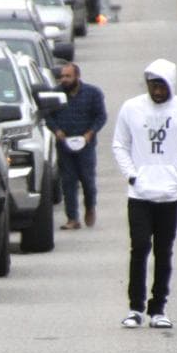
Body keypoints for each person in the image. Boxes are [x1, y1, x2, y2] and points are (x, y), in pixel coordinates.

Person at [112, 58, 177, 329]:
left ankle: (158, 308)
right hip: (139, 193)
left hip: (169, 194)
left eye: (162, 85)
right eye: (153, 85)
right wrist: (132, 175)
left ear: (170, 85)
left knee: (164, 251)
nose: (157, 91)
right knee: (139, 247)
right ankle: (135, 308)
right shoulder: (131, 108)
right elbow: (119, 145)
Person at [45, 63, 108, 231]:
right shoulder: (55, 94)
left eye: (68, 76)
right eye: (62, 77)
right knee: (68, 181)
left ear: (77, 76)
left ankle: (90, 206)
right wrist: (56, 130)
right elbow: (48, 116)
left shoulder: (93, 93)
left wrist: (90, 133)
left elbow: (101, 116)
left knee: (87, 180)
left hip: (85, 145)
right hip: (64, 145)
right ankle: (72, 218)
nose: (64, 80)